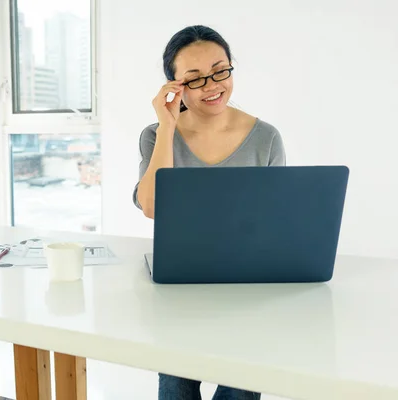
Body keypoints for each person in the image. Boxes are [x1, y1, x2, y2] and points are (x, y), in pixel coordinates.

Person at [132, 25, 286, 400]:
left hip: (248, 290)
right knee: (176, 389)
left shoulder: (266, 138)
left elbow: (280, 219)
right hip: (180, 289)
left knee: (241, 392)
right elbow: (152, 207)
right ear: (175, 85)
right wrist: (168, 125)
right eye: (195, 79)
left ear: (231, 67)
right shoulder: (155, 135)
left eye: (220, 70)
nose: (212, 85)